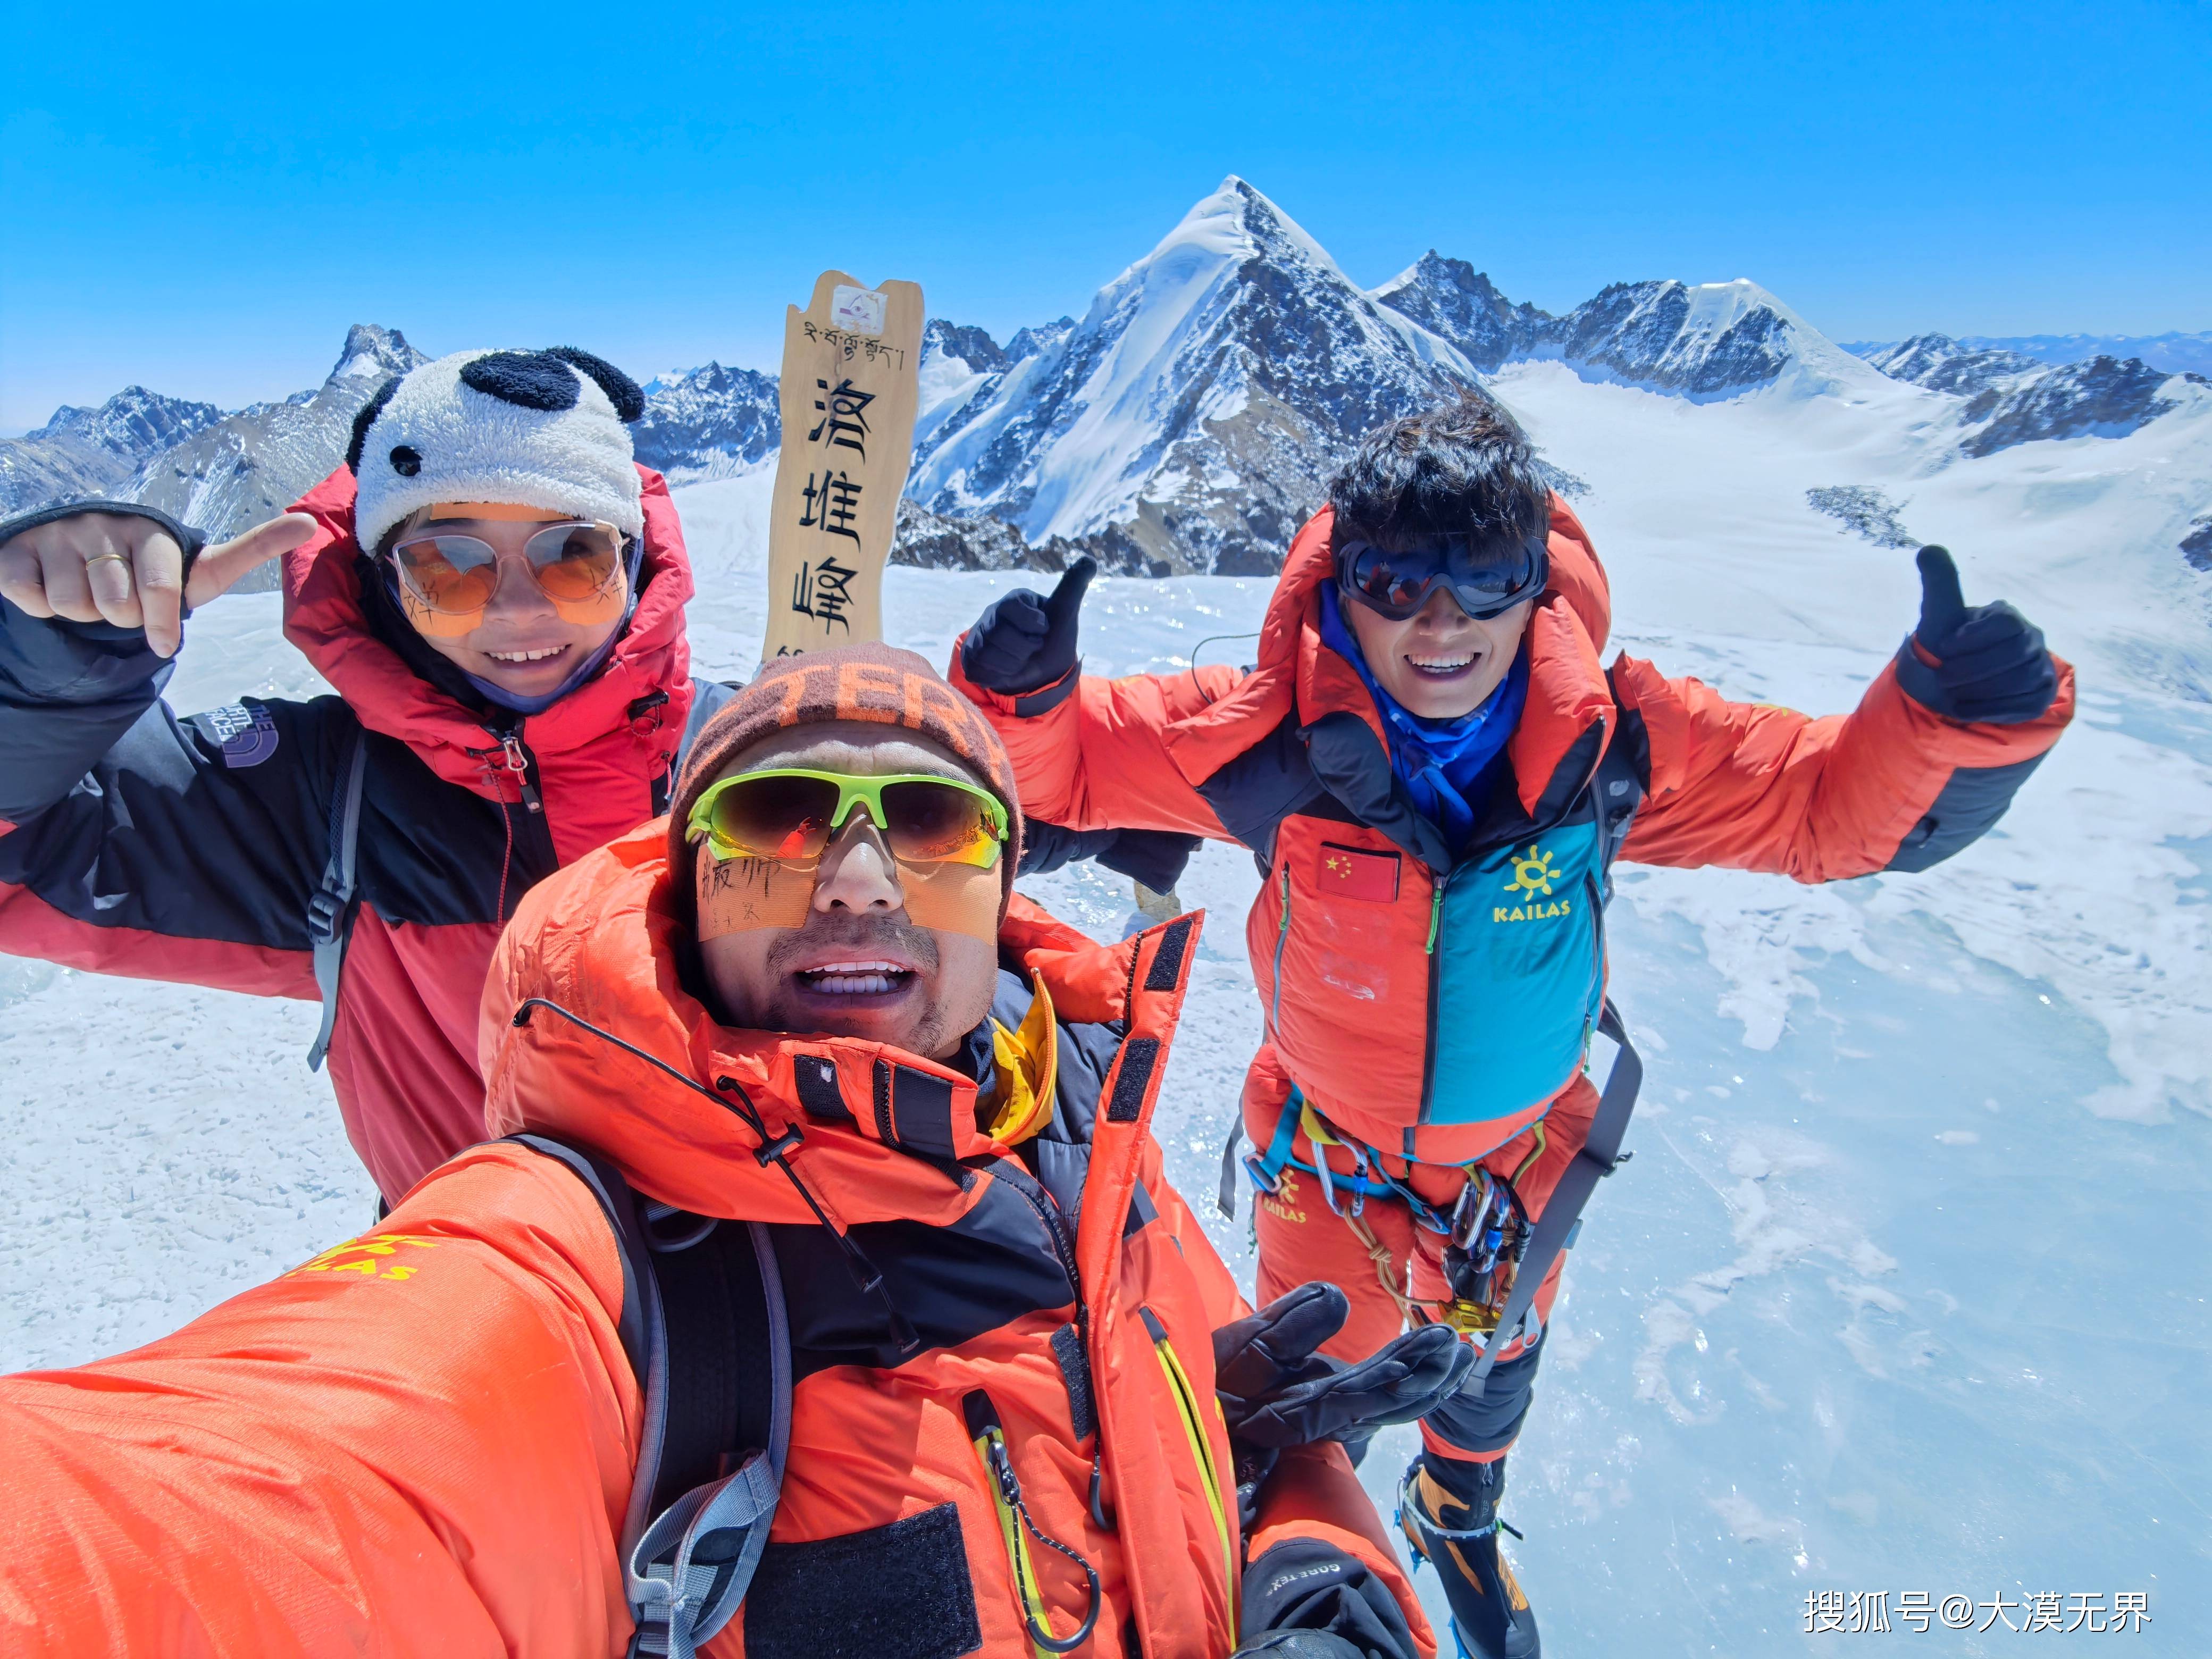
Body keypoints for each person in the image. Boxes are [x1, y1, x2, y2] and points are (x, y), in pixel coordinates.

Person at [0, 643, 1469, 1659]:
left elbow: (1238, 1467)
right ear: (688, 888)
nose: (857, 881)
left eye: (931, 827)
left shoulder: (1081, 1128)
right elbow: (267, 1497)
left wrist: (1314, 1552)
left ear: (1003, 891)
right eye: (775, 817)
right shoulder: (592, 1260)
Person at [947, 396, 2074, 1659]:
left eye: (1484, 582)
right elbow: (1071, 770)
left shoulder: (1611, 739)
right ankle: (1311, 1539)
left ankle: (1456, 1504)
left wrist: (1952, 723)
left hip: (1521, 1162)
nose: (1441, 623)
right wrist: (1023, 698)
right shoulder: (1271, 734)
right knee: (1315, 1383)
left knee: (1495, 1361)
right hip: (1330, 1153)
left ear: (1535, 588)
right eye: (1396, 580)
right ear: (1343, 582)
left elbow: (1822, 807)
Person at [0, 347, 734, 1204]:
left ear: (634, 562)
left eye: (572, 553)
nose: (519, 608)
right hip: (469, 1316)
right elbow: (37, 857)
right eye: (447, 569)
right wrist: (45, 666)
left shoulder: (753, 762)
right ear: (387, 586)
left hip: (805, 1322)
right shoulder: (322, 795)